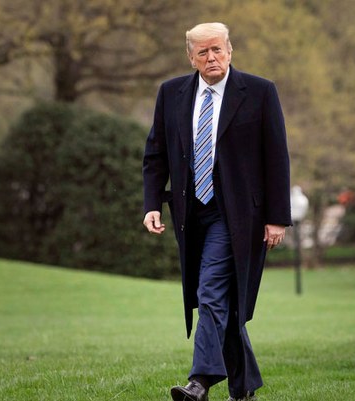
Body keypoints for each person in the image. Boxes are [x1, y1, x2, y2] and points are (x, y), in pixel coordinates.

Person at [142, 22, 291, 401]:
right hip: (190, 214)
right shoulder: (171, 93)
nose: (212, 58)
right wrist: (152, 204)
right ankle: (244, 387)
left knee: (209, 292)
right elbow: (156, 154)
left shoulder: (259, 91)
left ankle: (200, 382)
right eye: (203, 52)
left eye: (217, 50)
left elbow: (277, 157)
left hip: (237, 214)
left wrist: (277, 217)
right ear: (191, 58)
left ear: (230, 51)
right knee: (222, 300)